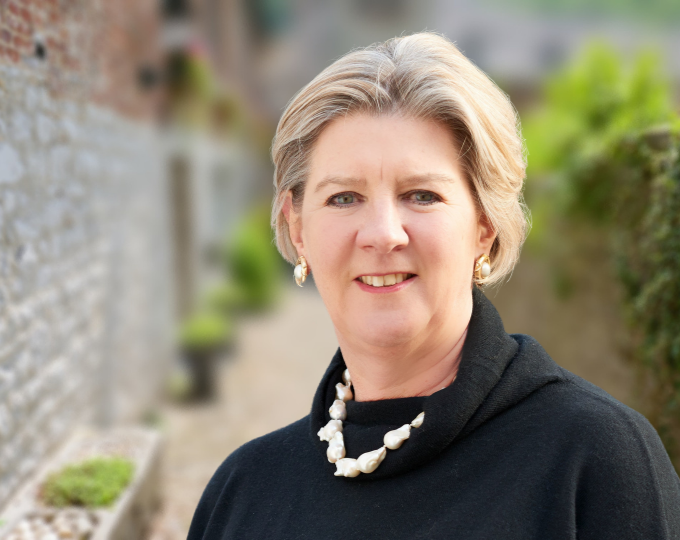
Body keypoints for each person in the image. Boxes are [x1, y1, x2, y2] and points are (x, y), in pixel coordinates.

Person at [187, 32, 680, 539]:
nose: (383, 234)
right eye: (343, 198)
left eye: (421, 195)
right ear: (297, 228)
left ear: (484, 225)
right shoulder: (244, 492)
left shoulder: (596, 460)